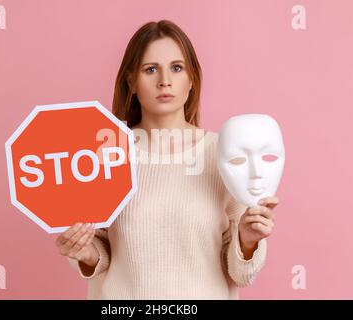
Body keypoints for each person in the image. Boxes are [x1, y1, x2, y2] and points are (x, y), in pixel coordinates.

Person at [55, 20, 279, 299]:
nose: (165, 80)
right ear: (131, 82)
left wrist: (247, 240)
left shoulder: (224, 153)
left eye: (176, 67)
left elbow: (240, 274)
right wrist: (85, 252)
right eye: (150, 69)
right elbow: (101, 254)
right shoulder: (105, 153)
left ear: (192, 78)